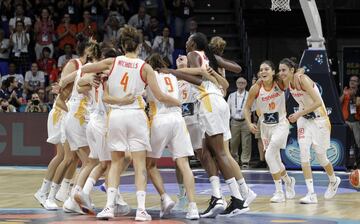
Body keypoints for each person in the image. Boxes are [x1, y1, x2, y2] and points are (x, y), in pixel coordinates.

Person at [80, 26, 180, 221]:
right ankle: (141, 210)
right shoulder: (146, 67)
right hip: (136, 115)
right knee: (140, 164)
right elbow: (159, 96)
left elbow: (84, 69)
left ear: (122, 45)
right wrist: (177, 102)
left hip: (116, 115)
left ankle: (109, 207)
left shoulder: (112, 61)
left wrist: (95, 77)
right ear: (140, 46)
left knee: (116, 163)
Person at [279, 58, 341, 203]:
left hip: (320, 119)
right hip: (304, 120)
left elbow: (318, 102)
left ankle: (333, 180)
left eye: (283, 70)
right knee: (304, 155)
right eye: (280, 70)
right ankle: (311, 193)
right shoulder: (288, 83)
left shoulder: (303, 80)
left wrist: (298, 114)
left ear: (292, 70)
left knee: (321, 157)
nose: (281, 73)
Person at [145, 53, 199, 220]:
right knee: (184, 164)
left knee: (150, 164)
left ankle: (164, 197)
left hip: (160, 118)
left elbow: (152, 96)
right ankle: (193, 207)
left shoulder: (149, 76)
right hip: (178, 119)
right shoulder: (172, 77)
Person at [243, 60, 296, 203]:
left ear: (273, 72)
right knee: (276, 160)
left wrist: (299, 71)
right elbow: (246, 108)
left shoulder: (280, 84)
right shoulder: (256, 88)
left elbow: (293, 77)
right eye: (261, 70)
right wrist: (249, 123)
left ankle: (279, 191)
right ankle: (288, 181)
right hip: (265, 126)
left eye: (267, 69)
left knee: (270, 155)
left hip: (281, 124)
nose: (263, 72)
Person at [227, 77, 252, 168]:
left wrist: (252, 121)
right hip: (234, 121)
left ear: (246, 84)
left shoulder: (249, 95)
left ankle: (245, 161)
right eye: (239, 82)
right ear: (236, 84)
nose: (241, 84)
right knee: (233, 142)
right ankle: (234, 159)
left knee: (246, 142)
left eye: (243, 82)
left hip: (246, 121)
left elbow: (252, 109)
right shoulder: (231, 95)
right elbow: (227, 109)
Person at [340, 75, 360, 150]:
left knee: (358, 142)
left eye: (354, 81)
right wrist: (343, 94)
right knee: (346, 141)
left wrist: (353, 96)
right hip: (346, 121)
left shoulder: (358, 92)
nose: (352, 82)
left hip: (356, 122)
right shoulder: (346, 91)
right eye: (351, 80)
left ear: (358, 83)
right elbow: (338, 103)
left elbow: (357, 104)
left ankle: (357, 161)